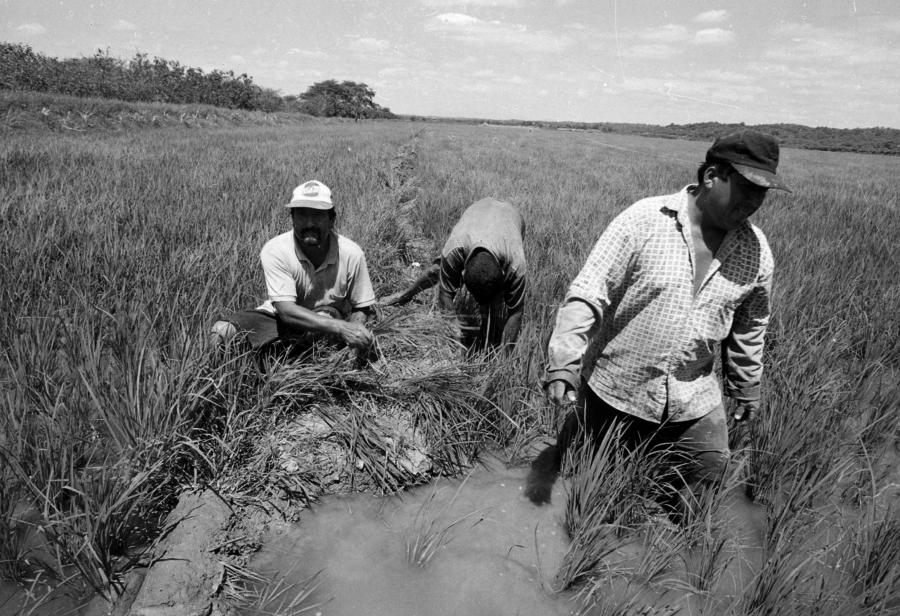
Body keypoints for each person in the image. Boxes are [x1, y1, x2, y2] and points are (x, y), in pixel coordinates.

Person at [526, 129, 790, 517]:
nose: (754, 201)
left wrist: (746, 386)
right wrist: (564, 362)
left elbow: (750, 325)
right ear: (711, 176)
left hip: (692, 396)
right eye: (747, 187)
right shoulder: (644, 220)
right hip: (616, 388)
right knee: (578, 477)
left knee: (705, 487)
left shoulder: (757, 251)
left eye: (762, 192)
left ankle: (681, 547)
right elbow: (589, 292)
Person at [211, 180, 376, 354]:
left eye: (318, 215)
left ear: (331, 220)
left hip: (332, 319)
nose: (309, 223)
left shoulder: (351, 253)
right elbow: (286, 311)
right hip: (286, 321)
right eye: (302, 215)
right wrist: (342, 328)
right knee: (221, 332)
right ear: (292, 218)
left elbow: (361, 305)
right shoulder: (276, 250)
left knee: (327, 329)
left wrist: (354, 332)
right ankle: (226, 370)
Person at [381, 197, 526, 352]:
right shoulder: (456, 248)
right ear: (462, 273)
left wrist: (505, 356)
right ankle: (405, 295)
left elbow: (516, 313)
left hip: (511, 216)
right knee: (438, 269)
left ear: (502, 273)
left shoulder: (516, 264)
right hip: (479, 210)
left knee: (494, 306)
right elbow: (445, 293)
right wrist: (452, 328)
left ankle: (488, 328)